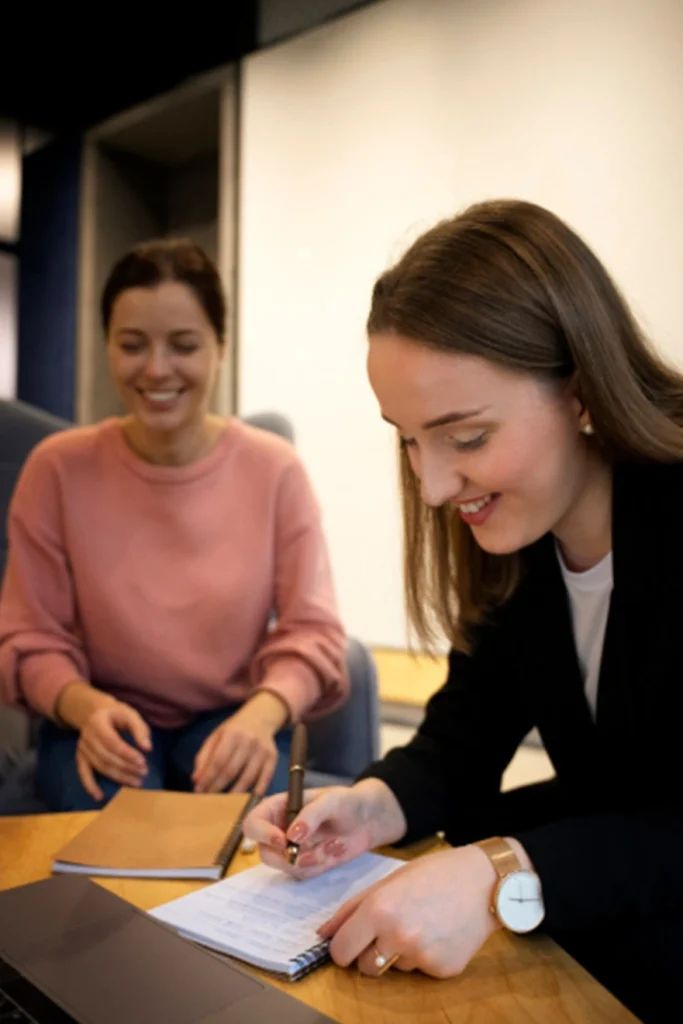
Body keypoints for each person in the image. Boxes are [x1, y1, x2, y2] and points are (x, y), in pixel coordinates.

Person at [244, 199, 683, 1022]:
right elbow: (461, 739)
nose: (434, 486)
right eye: (407, 439)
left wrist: (503, 878)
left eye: (467, 437)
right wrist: (369, 807)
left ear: (580, 390)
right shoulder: (522, 542)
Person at [0, 238, 348, 812]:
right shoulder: (56, 469)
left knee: (253, 837)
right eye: (132, 345)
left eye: (183, 345)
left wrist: (262, 715)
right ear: (107, 346)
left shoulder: (275, 470)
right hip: (100, 713)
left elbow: (314, 631)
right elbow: (28, 636)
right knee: (120, 844)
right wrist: (84, 707)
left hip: (233, 713)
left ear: (221, 347)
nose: (157, 369)